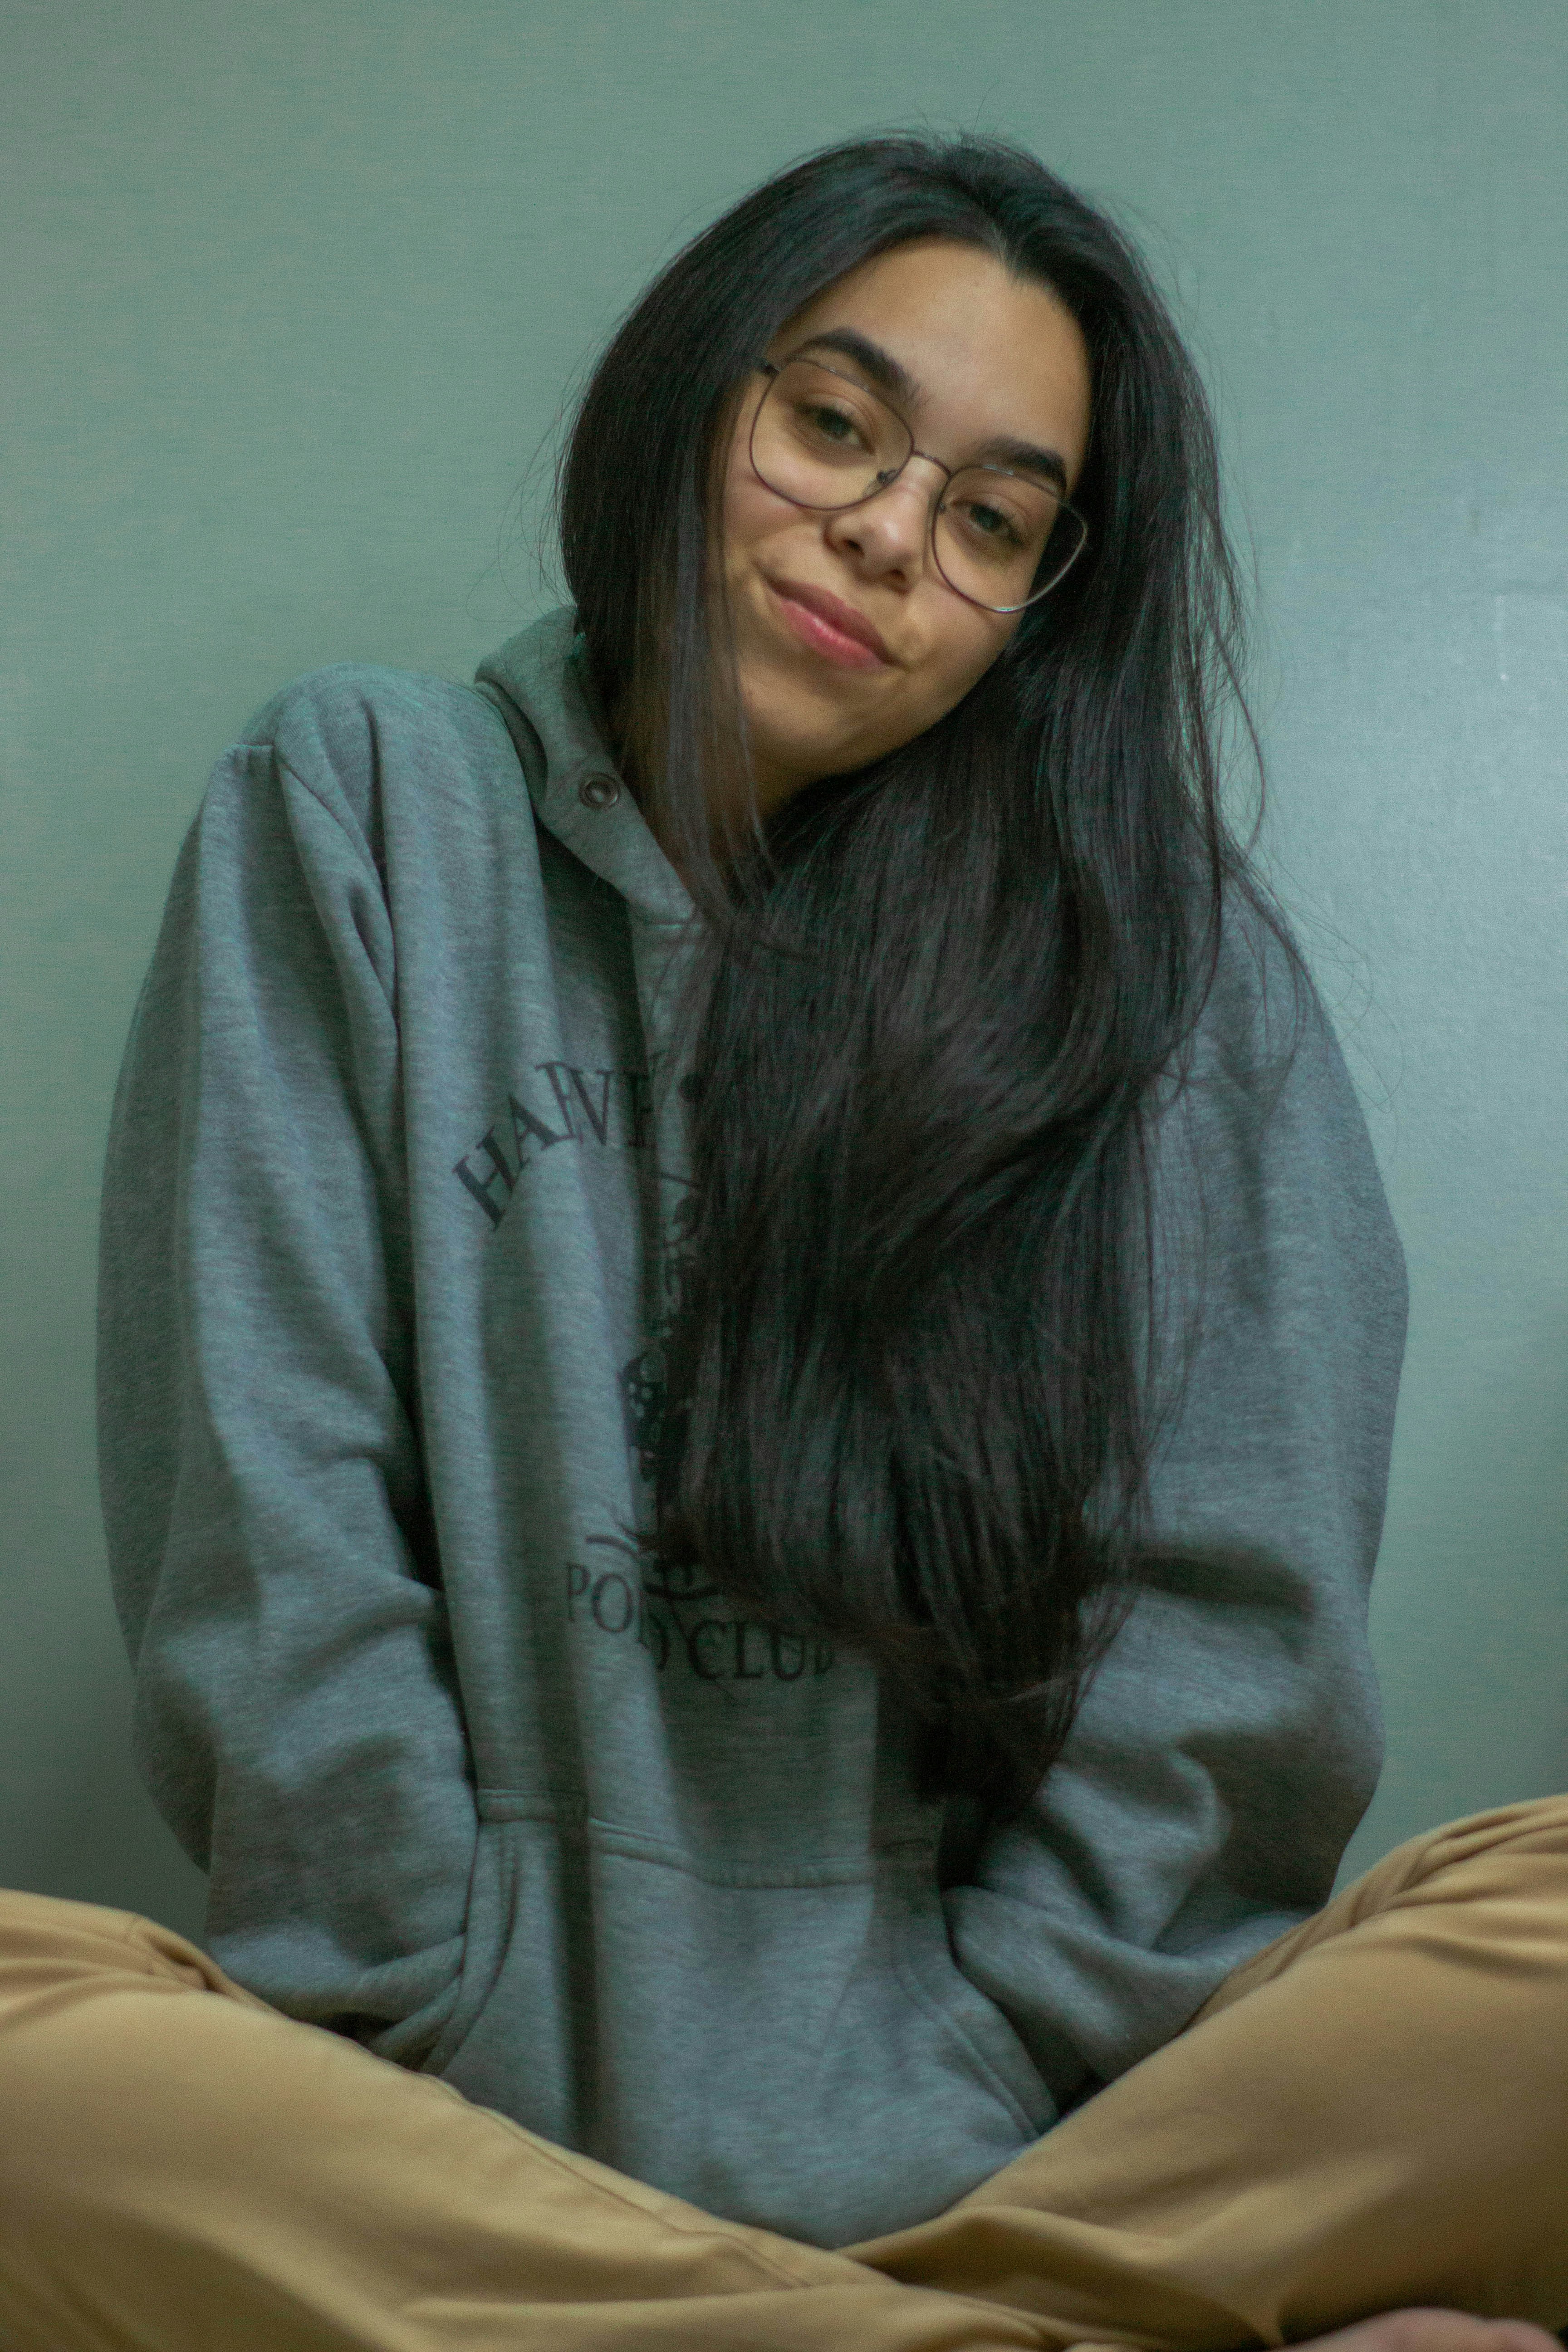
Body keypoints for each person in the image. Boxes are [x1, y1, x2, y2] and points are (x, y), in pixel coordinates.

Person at [0, 132, 1563, 2352]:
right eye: (835, 422)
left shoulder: (1163, 970)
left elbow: (1240, 1624)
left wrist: (1005, 2047)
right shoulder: (361, 807)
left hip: (1035, 2138)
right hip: (437, 2115)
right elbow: (264, 1526)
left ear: (1041, 608)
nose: (888, 533)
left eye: (995, 518)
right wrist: (440, 1999)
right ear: (692, 395)